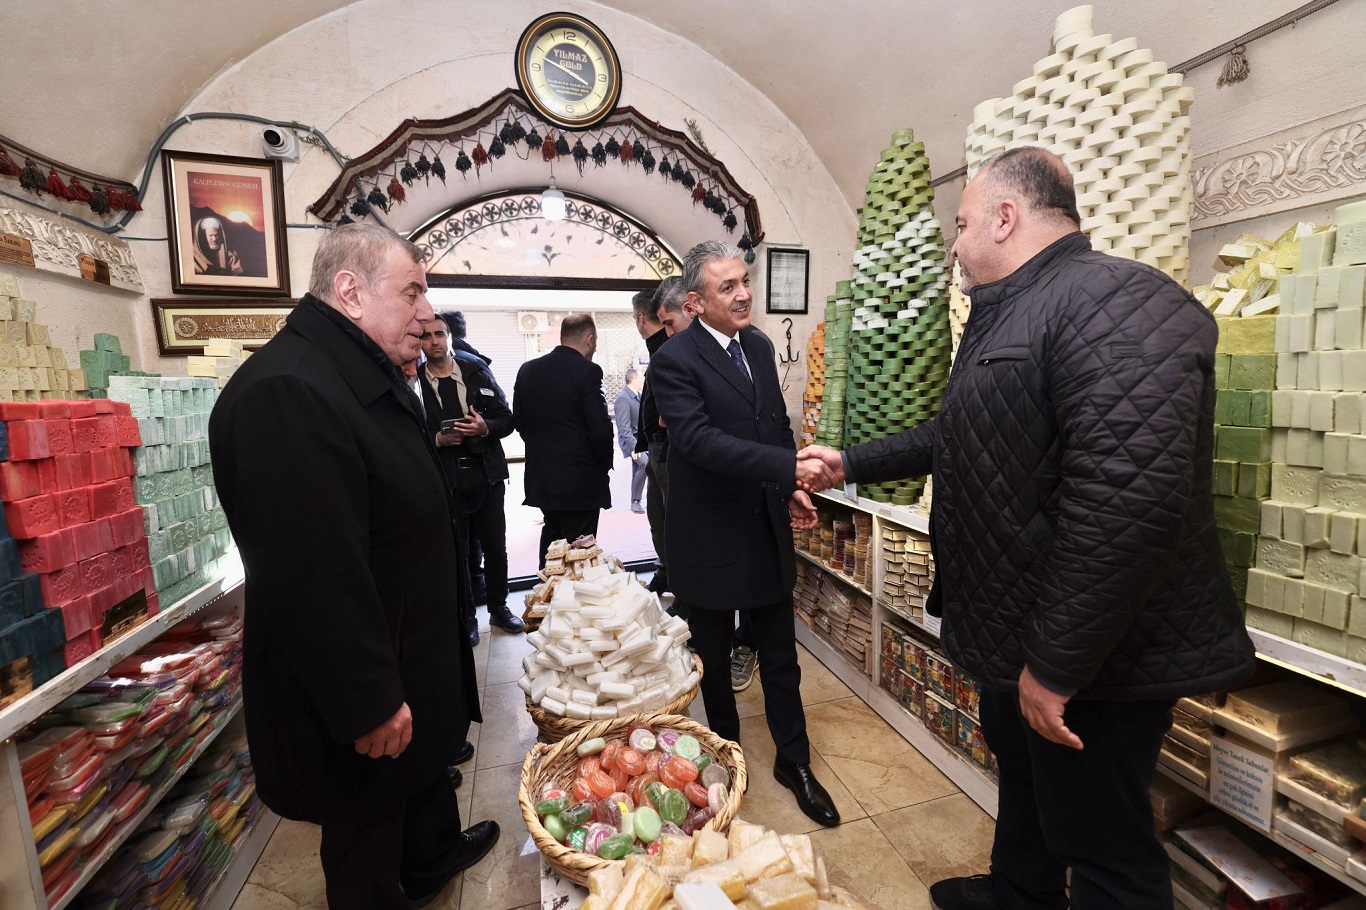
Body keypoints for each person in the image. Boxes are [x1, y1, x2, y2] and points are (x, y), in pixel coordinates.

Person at [798, 147, 1256, 910]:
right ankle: (1019, 892)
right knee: (1033, 793)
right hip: (1023, 627)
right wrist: (848, 462)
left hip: (1099, 658)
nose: (954, 241)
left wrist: (1056, 665)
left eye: (963, 221)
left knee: (1103, 842)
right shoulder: (1015, 309)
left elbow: (1128, 505)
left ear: (1006, 218)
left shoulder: (1119, 303)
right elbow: (963, 431)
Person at [209, 223, 498, 909]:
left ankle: (430, 857)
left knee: (419, 776)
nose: (425, 312)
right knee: (364, 831)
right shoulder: (289, 391)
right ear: (350, 292)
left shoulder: (357, 369)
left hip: (406, 641)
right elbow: (312, 575)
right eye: (412, 292)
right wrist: (365, 698)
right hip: (367, 672)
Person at [649, 240, 842, 828]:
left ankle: (795, 762)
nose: (743, 294)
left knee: (781, 656)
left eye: (744, 282)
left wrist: (791, 489)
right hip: (706, 532)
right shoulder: (674, 360)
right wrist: (787, 469)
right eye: (728, 287)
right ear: (695, 301)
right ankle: (728, 760)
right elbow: (699, 441)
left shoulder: (757, 345)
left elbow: (774, 425)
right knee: (712, 657)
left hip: (761, 526)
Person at [655, 279, 759, 691]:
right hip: (706, 502)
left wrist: (789, 474)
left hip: (750, 493)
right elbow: (691, 434)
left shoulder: (755, 348)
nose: (667, 333)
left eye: (669, 322)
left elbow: (759, 425)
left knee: (753, 594)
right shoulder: (674, 357)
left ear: (691, 307)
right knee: (711, 626)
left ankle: (746, 646)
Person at [418, 317, 524, 645]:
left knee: (495, 547)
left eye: (440, 334)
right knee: (458, 552)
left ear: (450, 338)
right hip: (446, 479)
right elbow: (402, 434)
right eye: (426, 336)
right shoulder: (412, 381)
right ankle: (466, 616)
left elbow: (508, 419)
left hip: (486, 474)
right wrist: (436, 439)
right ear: (420, 342)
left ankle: (499, 608)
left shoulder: (476, 372)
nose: (434, 341)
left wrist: (485, 428)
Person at [514, 313, 614, 562]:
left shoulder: (527, 370)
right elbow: (600, 429)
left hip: (542, 480)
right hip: (580, 483)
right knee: (579, 557)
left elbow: (520, 422)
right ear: (590, 339)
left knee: (552, 547)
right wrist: (602, 465)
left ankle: (545, 598)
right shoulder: (588, 372)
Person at [635, 284, 672, 593]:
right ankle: (665, 571)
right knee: (657, 517)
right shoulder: (657, 348)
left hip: (668, 446)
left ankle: (683, 587)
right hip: (656, 446)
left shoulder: (668, 348)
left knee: (670, 520)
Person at [614, 368, 647, 513]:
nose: (643, 381)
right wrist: (635, 446)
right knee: (645, 463)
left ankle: (635, 501)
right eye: (641, 378)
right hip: (631, 441)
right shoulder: (623, 398)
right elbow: (623, 427)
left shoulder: (637, 396)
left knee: (639, 468)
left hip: (640, 440)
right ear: (634, 380)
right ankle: (636, 500)